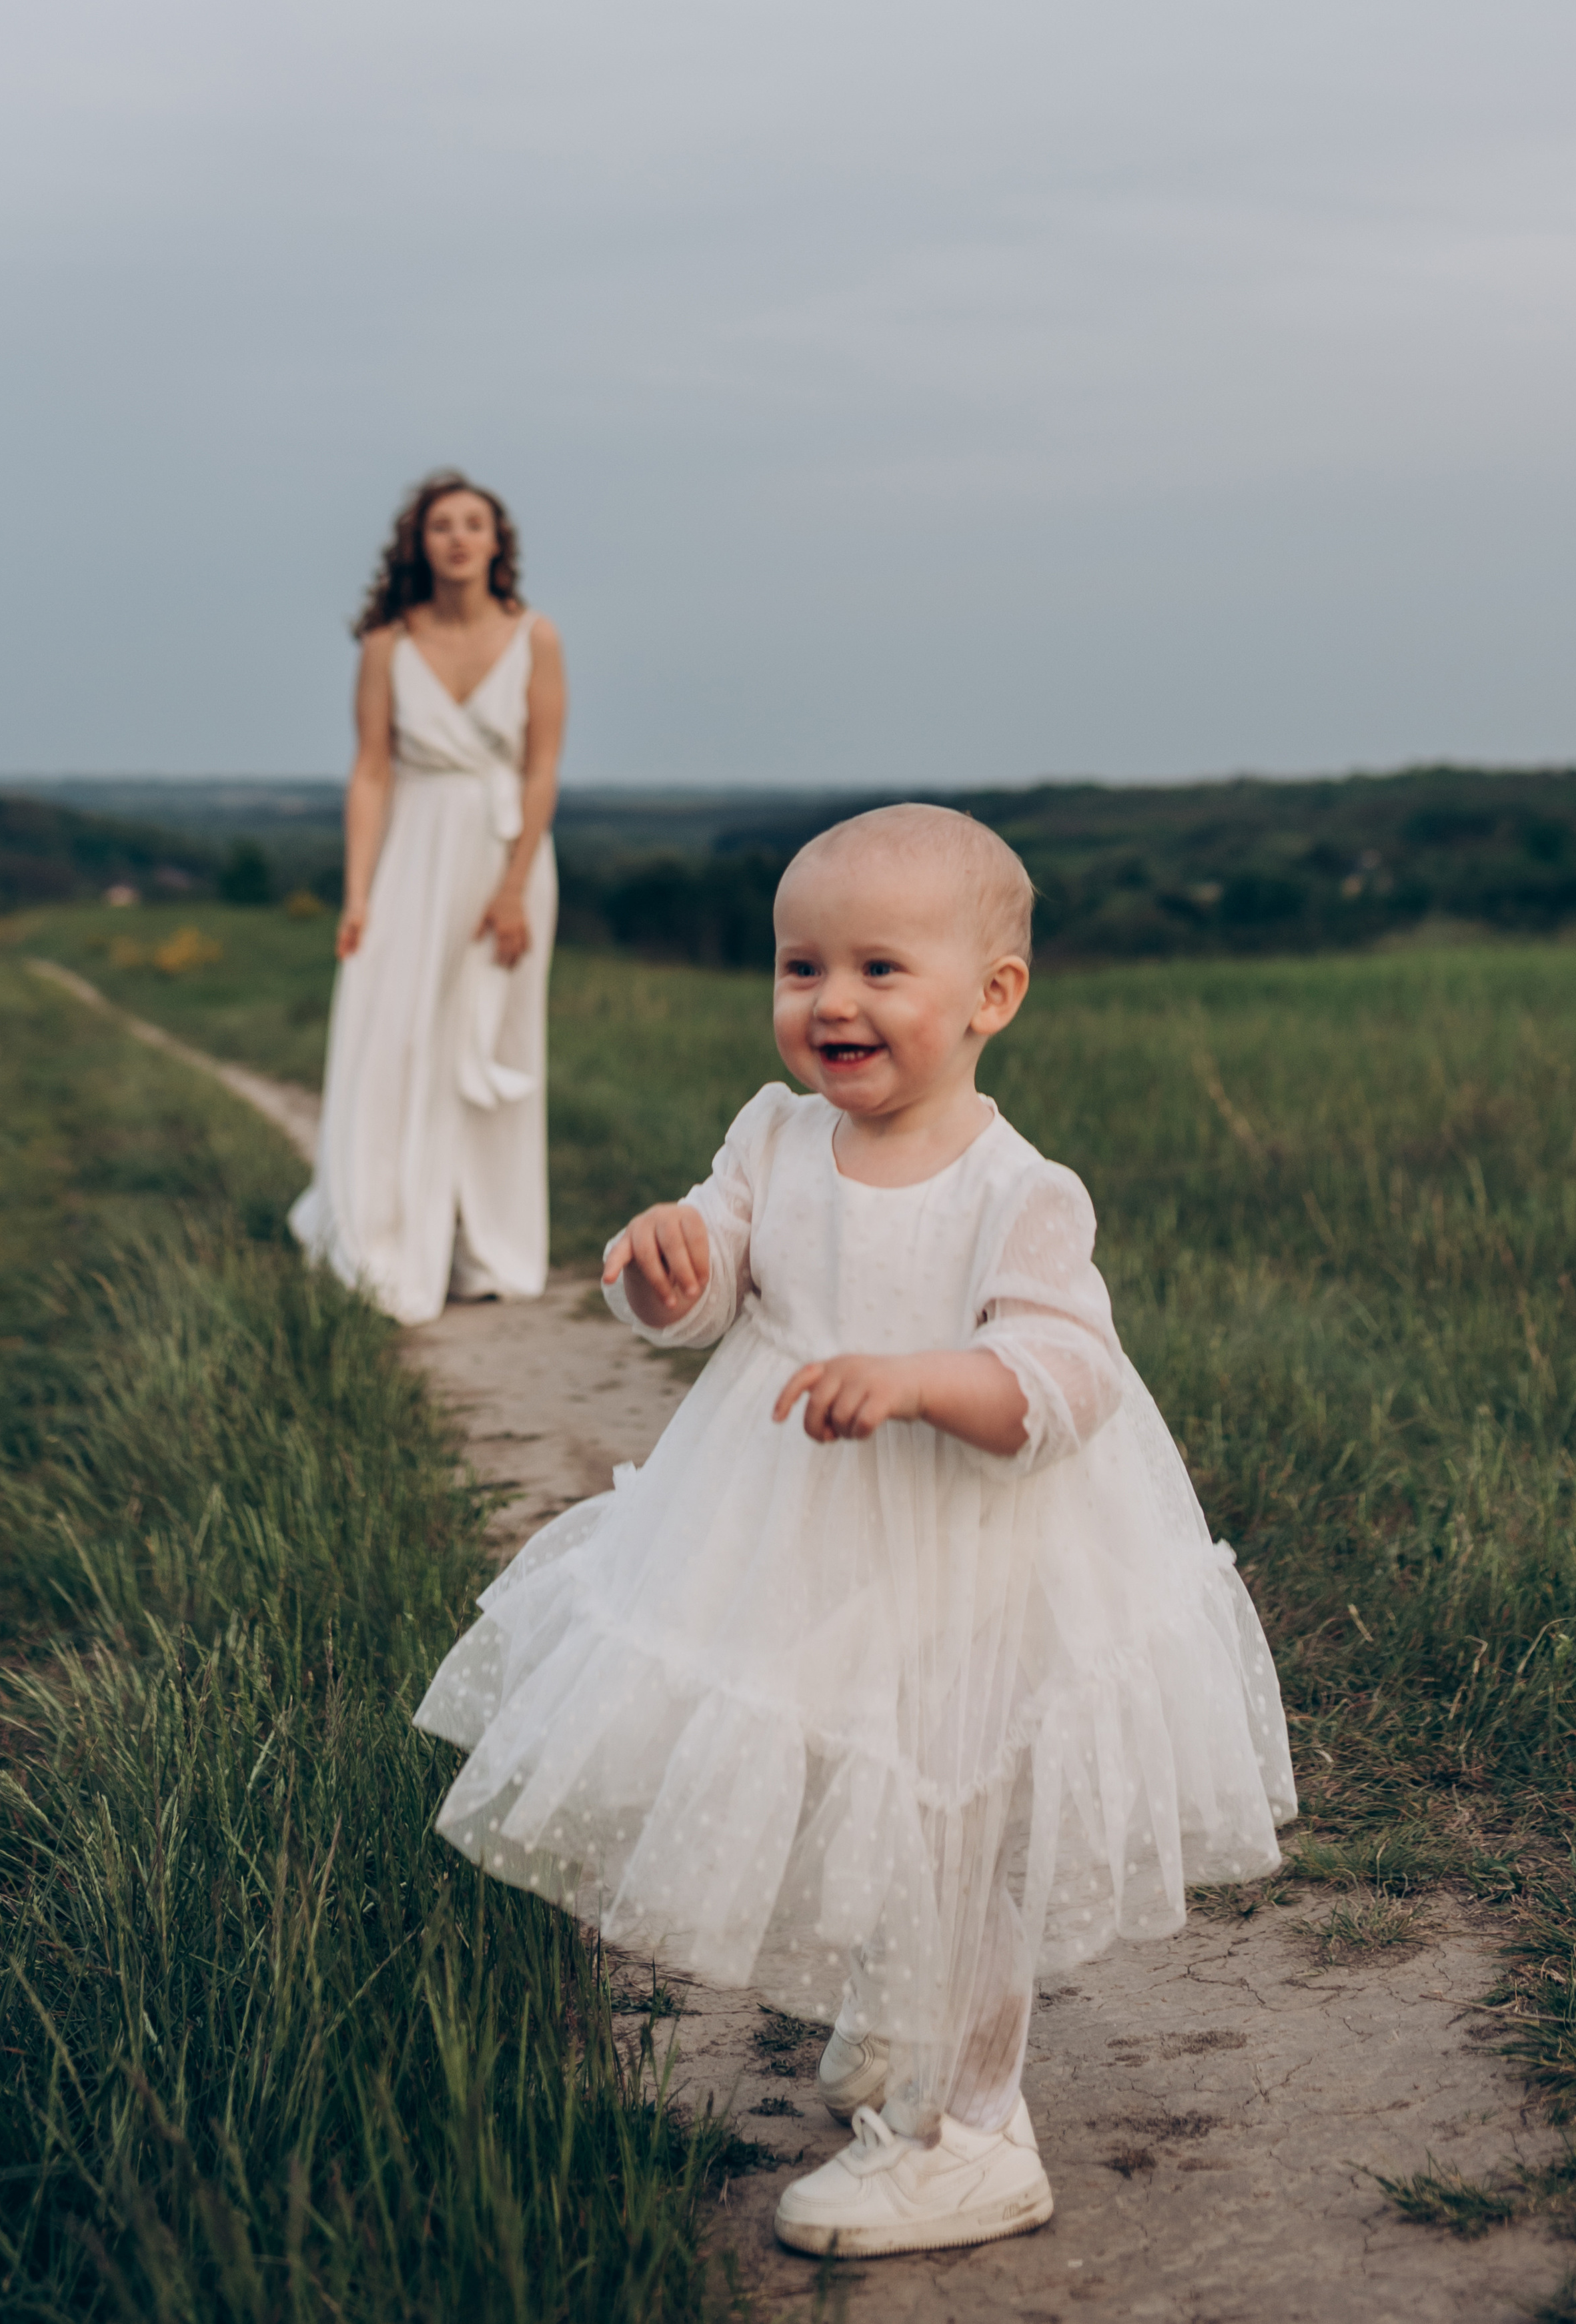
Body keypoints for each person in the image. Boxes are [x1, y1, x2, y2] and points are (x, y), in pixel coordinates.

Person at [413, 804, 1295, 2259]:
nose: (831, 1001)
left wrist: (922, 1381)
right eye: (800, 967)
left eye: (880, 969)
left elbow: (1063, 1380)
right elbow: (713, 1284)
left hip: (971, 1551)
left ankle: (969, 2137)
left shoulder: (1018, 1192)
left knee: (954, 1825)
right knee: (861, 1784)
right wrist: (667, 1267)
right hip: (805, 1536)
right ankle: (899, 2017)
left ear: (991, 996)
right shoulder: (774, 1135)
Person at [290, 472, 566, 1325]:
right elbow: (371, 772)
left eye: (473, 523)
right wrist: (357, 894)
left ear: (496, 542)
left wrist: (513, 888)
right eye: (440, 524)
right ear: (418, 543)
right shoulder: (387, 644)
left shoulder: (536, 638)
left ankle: (485, 1247)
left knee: (490, 1049)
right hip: (411, 856)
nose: (457, 537)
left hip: (506, 859)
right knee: (395, 1040)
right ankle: (382, 1230)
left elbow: (541, 771)